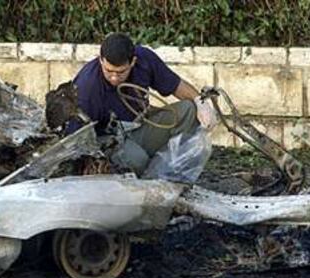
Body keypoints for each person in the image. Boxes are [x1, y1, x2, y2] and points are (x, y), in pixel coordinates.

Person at [68, 32, 215, 175]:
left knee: (188, 109)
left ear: (133, 62)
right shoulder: (87, 86)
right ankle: (147, 177)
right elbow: (75, 137)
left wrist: (200, 102)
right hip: (108, 139)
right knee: (138, 161)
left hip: (138, 125)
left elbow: (176, 85)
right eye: (109, 71)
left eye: (120, 72)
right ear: (101, 60)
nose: (114, 78)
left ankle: (173, 169)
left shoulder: (145, 59)